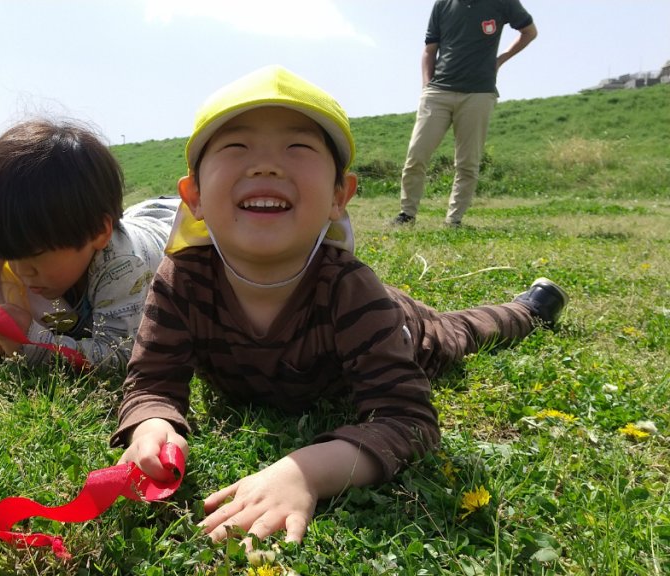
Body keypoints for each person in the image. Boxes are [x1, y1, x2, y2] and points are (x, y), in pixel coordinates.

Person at [113, 66, 567, 544]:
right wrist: (152, 424)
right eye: (236, 147)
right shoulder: (181, 279)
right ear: (194, 196)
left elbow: (408, 420)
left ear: (339, 196)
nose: (266, 166)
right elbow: (152, 381)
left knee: (460, 332)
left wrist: (305, 472)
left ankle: (529, 308)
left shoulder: (350, 288)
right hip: (365, 319)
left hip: (400, 327)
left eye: (298, 148)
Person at [0, 119, 177, 373]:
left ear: (97, 232)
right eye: (9, 256)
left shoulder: (123, 266)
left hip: (171, 222)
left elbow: (120, 354)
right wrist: (0, 338)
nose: (21, 271)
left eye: (34, 255)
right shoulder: (36, 255)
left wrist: (31, 342)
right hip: (137, 217)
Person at [392, 0, 538, 227]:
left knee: (467, 163)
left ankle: (454, 220)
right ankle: (407, 214)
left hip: (479, 94)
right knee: (416, 156)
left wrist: (500, 60)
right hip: (438, 92)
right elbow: (430, 49)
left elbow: (529, 32)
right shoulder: (442, 4)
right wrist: (426, 87)